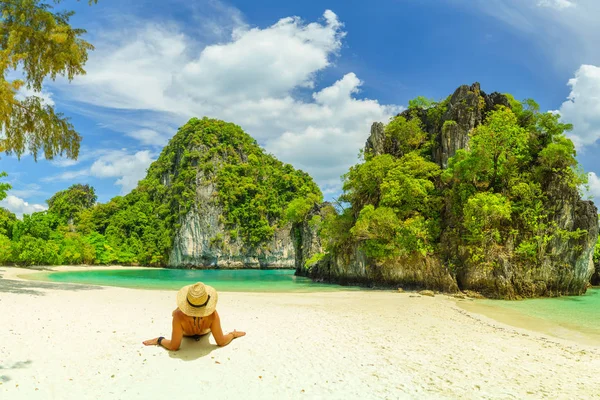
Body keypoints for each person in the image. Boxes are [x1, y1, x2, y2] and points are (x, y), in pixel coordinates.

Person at [143, 282, 245, 351]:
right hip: (203, 331)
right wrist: (233, 334)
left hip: (185, 330)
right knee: (176, 313)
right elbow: (221, 341)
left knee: (175, 313)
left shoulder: (178, 316)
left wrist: (160, 340)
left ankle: (177, 309)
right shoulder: (212, 314)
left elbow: (173, 346)